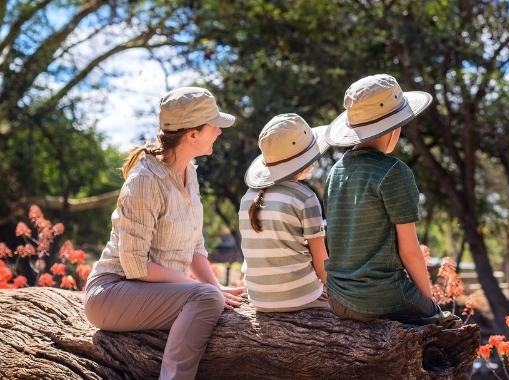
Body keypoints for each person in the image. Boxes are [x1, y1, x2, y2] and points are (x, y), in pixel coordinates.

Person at [83, 87, 246, 380]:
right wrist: (204, 292)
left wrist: (214, 286)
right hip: (112, 293)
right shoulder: (145, 180)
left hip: (155, 291)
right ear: (192, 134)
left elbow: (195, 244)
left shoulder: (190, 172)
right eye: (214, 125)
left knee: (210, 296)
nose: (219, 132)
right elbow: (135, 266)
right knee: (206, 299)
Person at [323, 74, 461, 328]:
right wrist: (430, 305)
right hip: (381, 299)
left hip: (338, 299)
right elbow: (409, 251)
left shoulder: (335, 172)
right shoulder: (394, 171)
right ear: (394, 128)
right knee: (450, 325)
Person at [240, 113, 331, 312]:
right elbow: (321, 261)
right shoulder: (305, 197)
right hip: (301, 296)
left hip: (258, 299)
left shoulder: (247, 197)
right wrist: (336, 291)